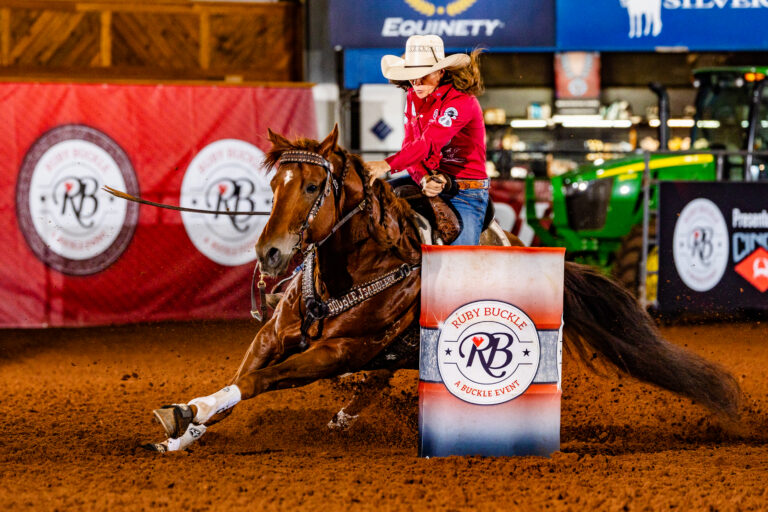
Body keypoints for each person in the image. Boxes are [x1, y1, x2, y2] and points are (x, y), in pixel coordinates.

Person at [366, 34, 488, 246]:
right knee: (373, 203)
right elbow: (411, 147)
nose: (417, 81)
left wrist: (386, 164)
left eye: (424, 74)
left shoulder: (461, 101)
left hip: (465, 191)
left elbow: (427, 143)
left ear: (441, 72)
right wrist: (423, 178)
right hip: (427, 181)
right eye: (412, 75)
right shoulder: (413, 97)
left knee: (460, 263)